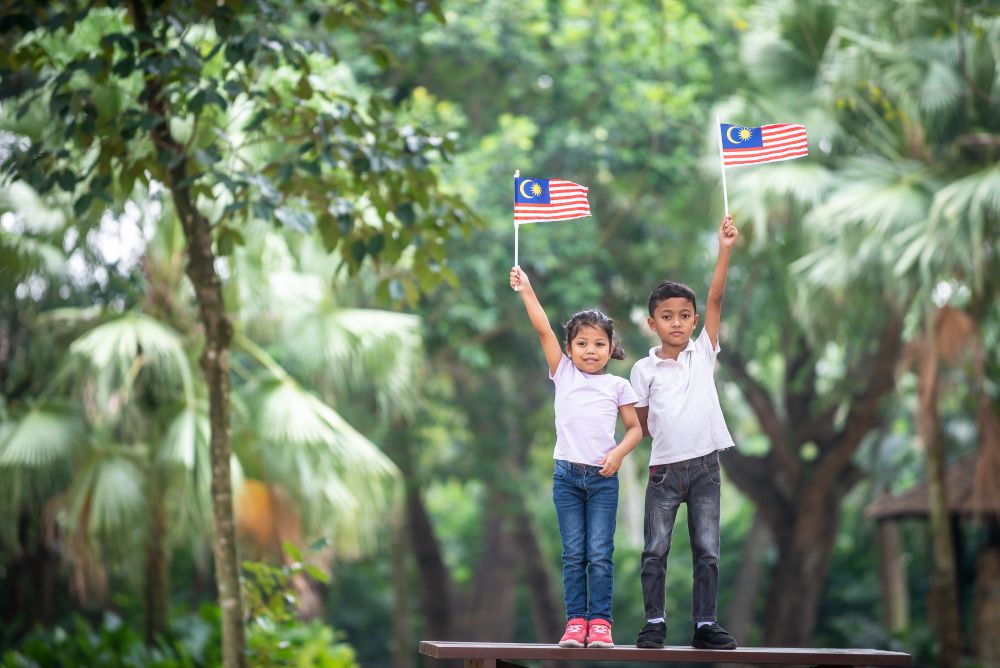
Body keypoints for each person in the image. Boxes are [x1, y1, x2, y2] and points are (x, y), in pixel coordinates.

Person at [510, 266, 643, 649]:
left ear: (610, 348)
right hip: (567, 478)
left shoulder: (618, 385)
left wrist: (618, 454)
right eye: (582, 343)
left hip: (603, 478)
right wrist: (527, 290)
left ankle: (600, 623)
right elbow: (543, 329)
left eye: (599, 344)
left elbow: (634, 429)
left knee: (599, 553)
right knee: (573, 554)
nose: (590, 350)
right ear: (569, 350)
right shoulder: (563, 373)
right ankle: (575, 624)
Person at [630, 215, 740, 650]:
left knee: (707, 551)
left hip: (705, 468)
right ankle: (654, 622)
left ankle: (704, 626)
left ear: (694, 321)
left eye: (684, 316)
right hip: (663, 471)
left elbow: (716, 298)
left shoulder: (702, 355)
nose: (676, 323)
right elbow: (636, 424)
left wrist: (725, 248)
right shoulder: (643, 369)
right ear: (652, 322)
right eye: (666, 316)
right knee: (655, 549)